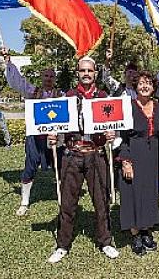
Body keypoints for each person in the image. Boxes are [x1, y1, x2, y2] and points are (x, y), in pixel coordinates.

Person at [48, 56, 119, 262]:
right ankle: (62, 245)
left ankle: (106, 241)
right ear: (77, 73)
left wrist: (111, 135)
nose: (86, 74)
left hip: (96, 154)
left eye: (90, 71)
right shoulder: (68, 97)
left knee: (101, 201)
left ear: (95, 73)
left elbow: (113, 123)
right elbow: (58, 126)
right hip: (72, 154)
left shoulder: (103, 97)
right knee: (67, 203)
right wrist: (54, 136)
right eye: (82, 71)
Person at [2, 47, 63, 216]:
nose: (49, 79)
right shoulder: (32, 91)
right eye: (46, 75)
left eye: (52, 76)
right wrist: (8, 62)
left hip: (55, 138)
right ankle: (24, 202)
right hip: (35, 138)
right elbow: (17, 81)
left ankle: (61, 199)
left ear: (55, 79)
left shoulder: (61, 94)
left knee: (60, 168)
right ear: (41, 77)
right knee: (30, 167)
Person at [117, 71, 159, 256]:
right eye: (141, 83)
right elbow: (121, 138)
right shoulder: (127, 107)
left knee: (149, 194)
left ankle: (146, 230)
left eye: (148, 83)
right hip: (133, 156)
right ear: (135, 86)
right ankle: (135, 234)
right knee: (132, 194)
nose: (145, 86)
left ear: (154, 87)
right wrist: (125, 161)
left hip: (152, 158)